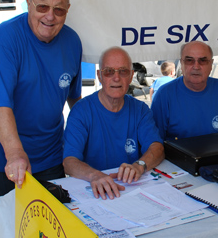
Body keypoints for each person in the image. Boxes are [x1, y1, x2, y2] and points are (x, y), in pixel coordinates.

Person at [0, 0, 82, 222]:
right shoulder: (5, 39)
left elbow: (75, 101)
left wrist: (82, 141)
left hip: (50, 154)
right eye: (42, 7)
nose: (50, 16)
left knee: (49, 225)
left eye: (59, 9)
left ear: (67, 11)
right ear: (28, 4)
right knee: (10, 227)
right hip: (5, 157)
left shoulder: (73, 41)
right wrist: (14, 153)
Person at [63, 47, 164, 200]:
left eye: (123, 71)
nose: (116, 78)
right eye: (109, 71)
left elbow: (157, 148)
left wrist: (139, 165)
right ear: (99, 76)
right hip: (95, 193)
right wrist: (95, 176)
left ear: (131, 76)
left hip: (131, 190)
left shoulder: (140, 110)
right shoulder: (81, 112)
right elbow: (69, 162)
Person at [151, 41, 218, 140]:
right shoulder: (164, 95)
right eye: (189, 60)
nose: (196, 66)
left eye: (203, 60)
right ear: (181, 64)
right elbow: (155, 144)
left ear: (211, 64)